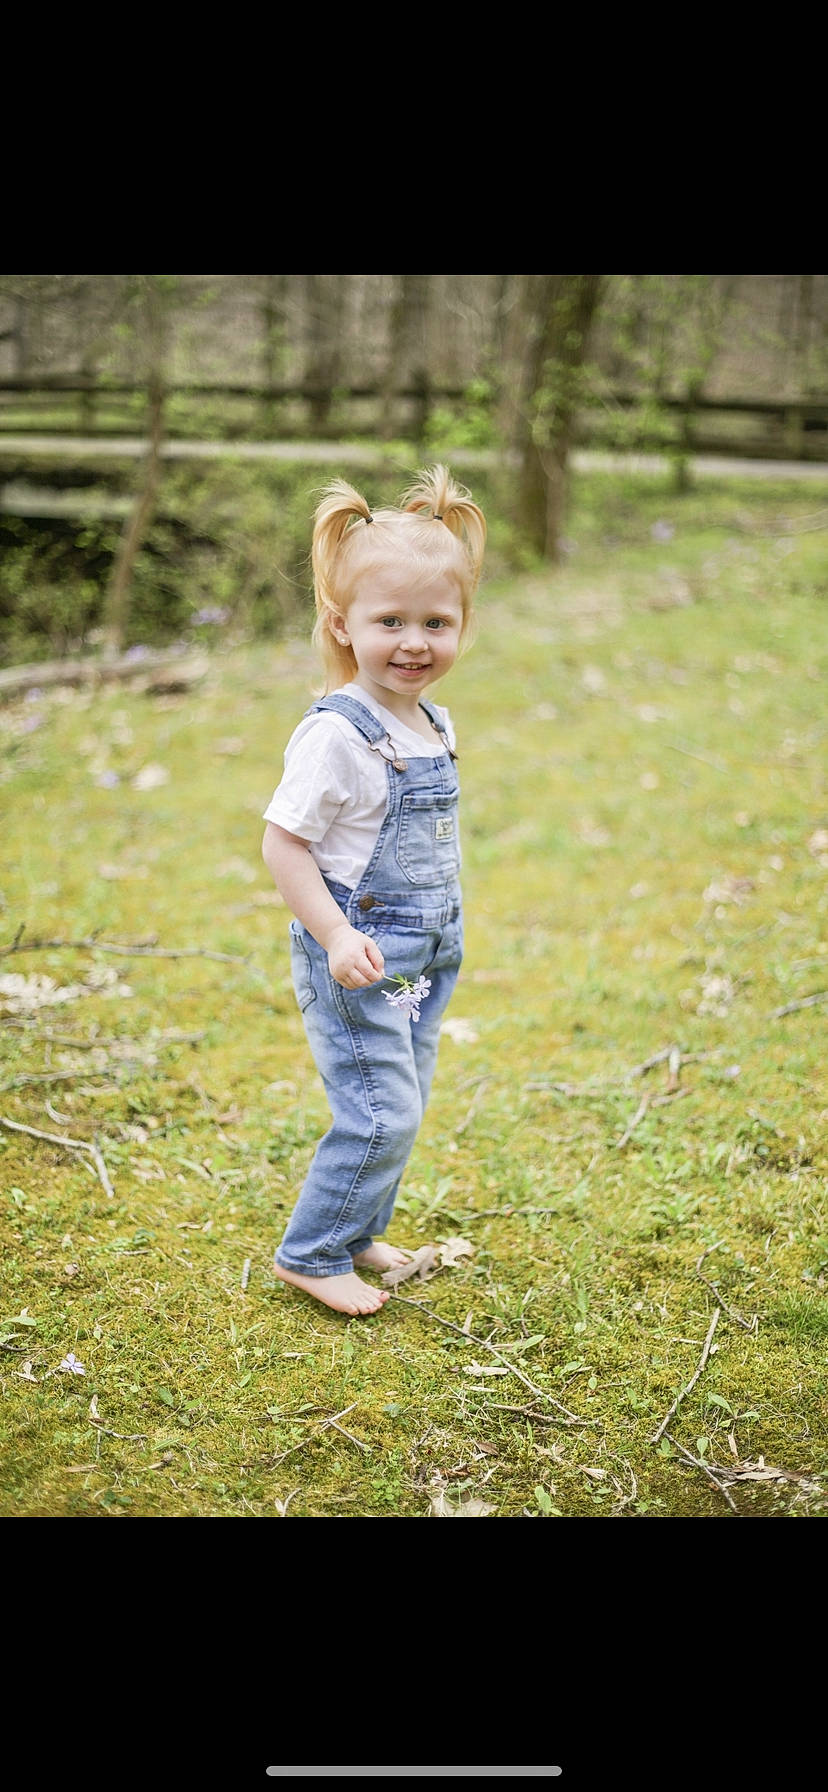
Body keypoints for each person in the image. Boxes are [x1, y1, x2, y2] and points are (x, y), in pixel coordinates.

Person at [261, 464, 487, 1315]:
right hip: (353, 954)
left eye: (437, 622)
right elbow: (284, 844)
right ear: (342, 624)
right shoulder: (337, 734)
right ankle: (310, 1253)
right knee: (378, 1107)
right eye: (390, 621)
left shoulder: (432, 720)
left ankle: (358, 1234)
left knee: (405, 1096)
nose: (415, 642)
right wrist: (331, 935)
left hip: (426, 952)